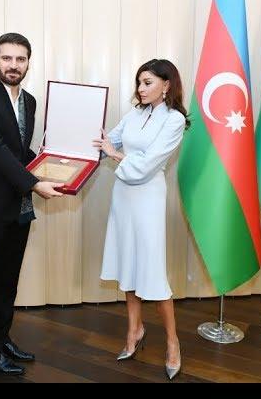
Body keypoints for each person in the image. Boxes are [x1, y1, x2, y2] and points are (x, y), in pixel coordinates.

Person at [0, 32, 64, 376]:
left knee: (8, 280)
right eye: (7, 58)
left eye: (20, 59)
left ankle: (2, 338)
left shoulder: (30, 101)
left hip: (18, 206)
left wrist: (58, 165)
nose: (13, 65)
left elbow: (21, 153)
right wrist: (35, 183)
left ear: (28, 63)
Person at [93, 58, 190, 380]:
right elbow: (109, 138)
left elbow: (147, 164)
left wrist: (116, 154)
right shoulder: (136, 113)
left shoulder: (175, 120)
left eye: (147, 83)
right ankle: (134, 330)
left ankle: (173, 343)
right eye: (139, 82)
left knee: (151, 271)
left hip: (148, 197)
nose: (140, 89)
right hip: (123, 195)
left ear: (167, 85)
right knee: (128, 263)